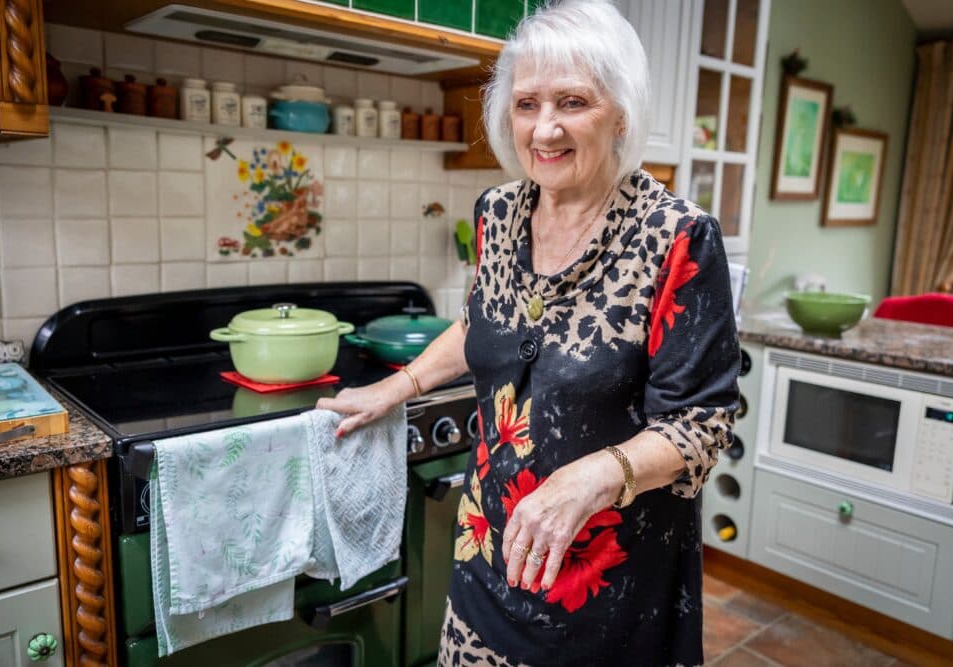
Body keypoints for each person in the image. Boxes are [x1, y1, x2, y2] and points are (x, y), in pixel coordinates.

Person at [317, 0, 740, 664]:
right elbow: (481, 321)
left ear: (620, 111)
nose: (544, 129)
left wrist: (594, 476)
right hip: (487, 553)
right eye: (527, 104)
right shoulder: (500, 210)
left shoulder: (677, 237)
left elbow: (701, 424)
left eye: (572, 102)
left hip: (605, 584)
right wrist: (395, 386)